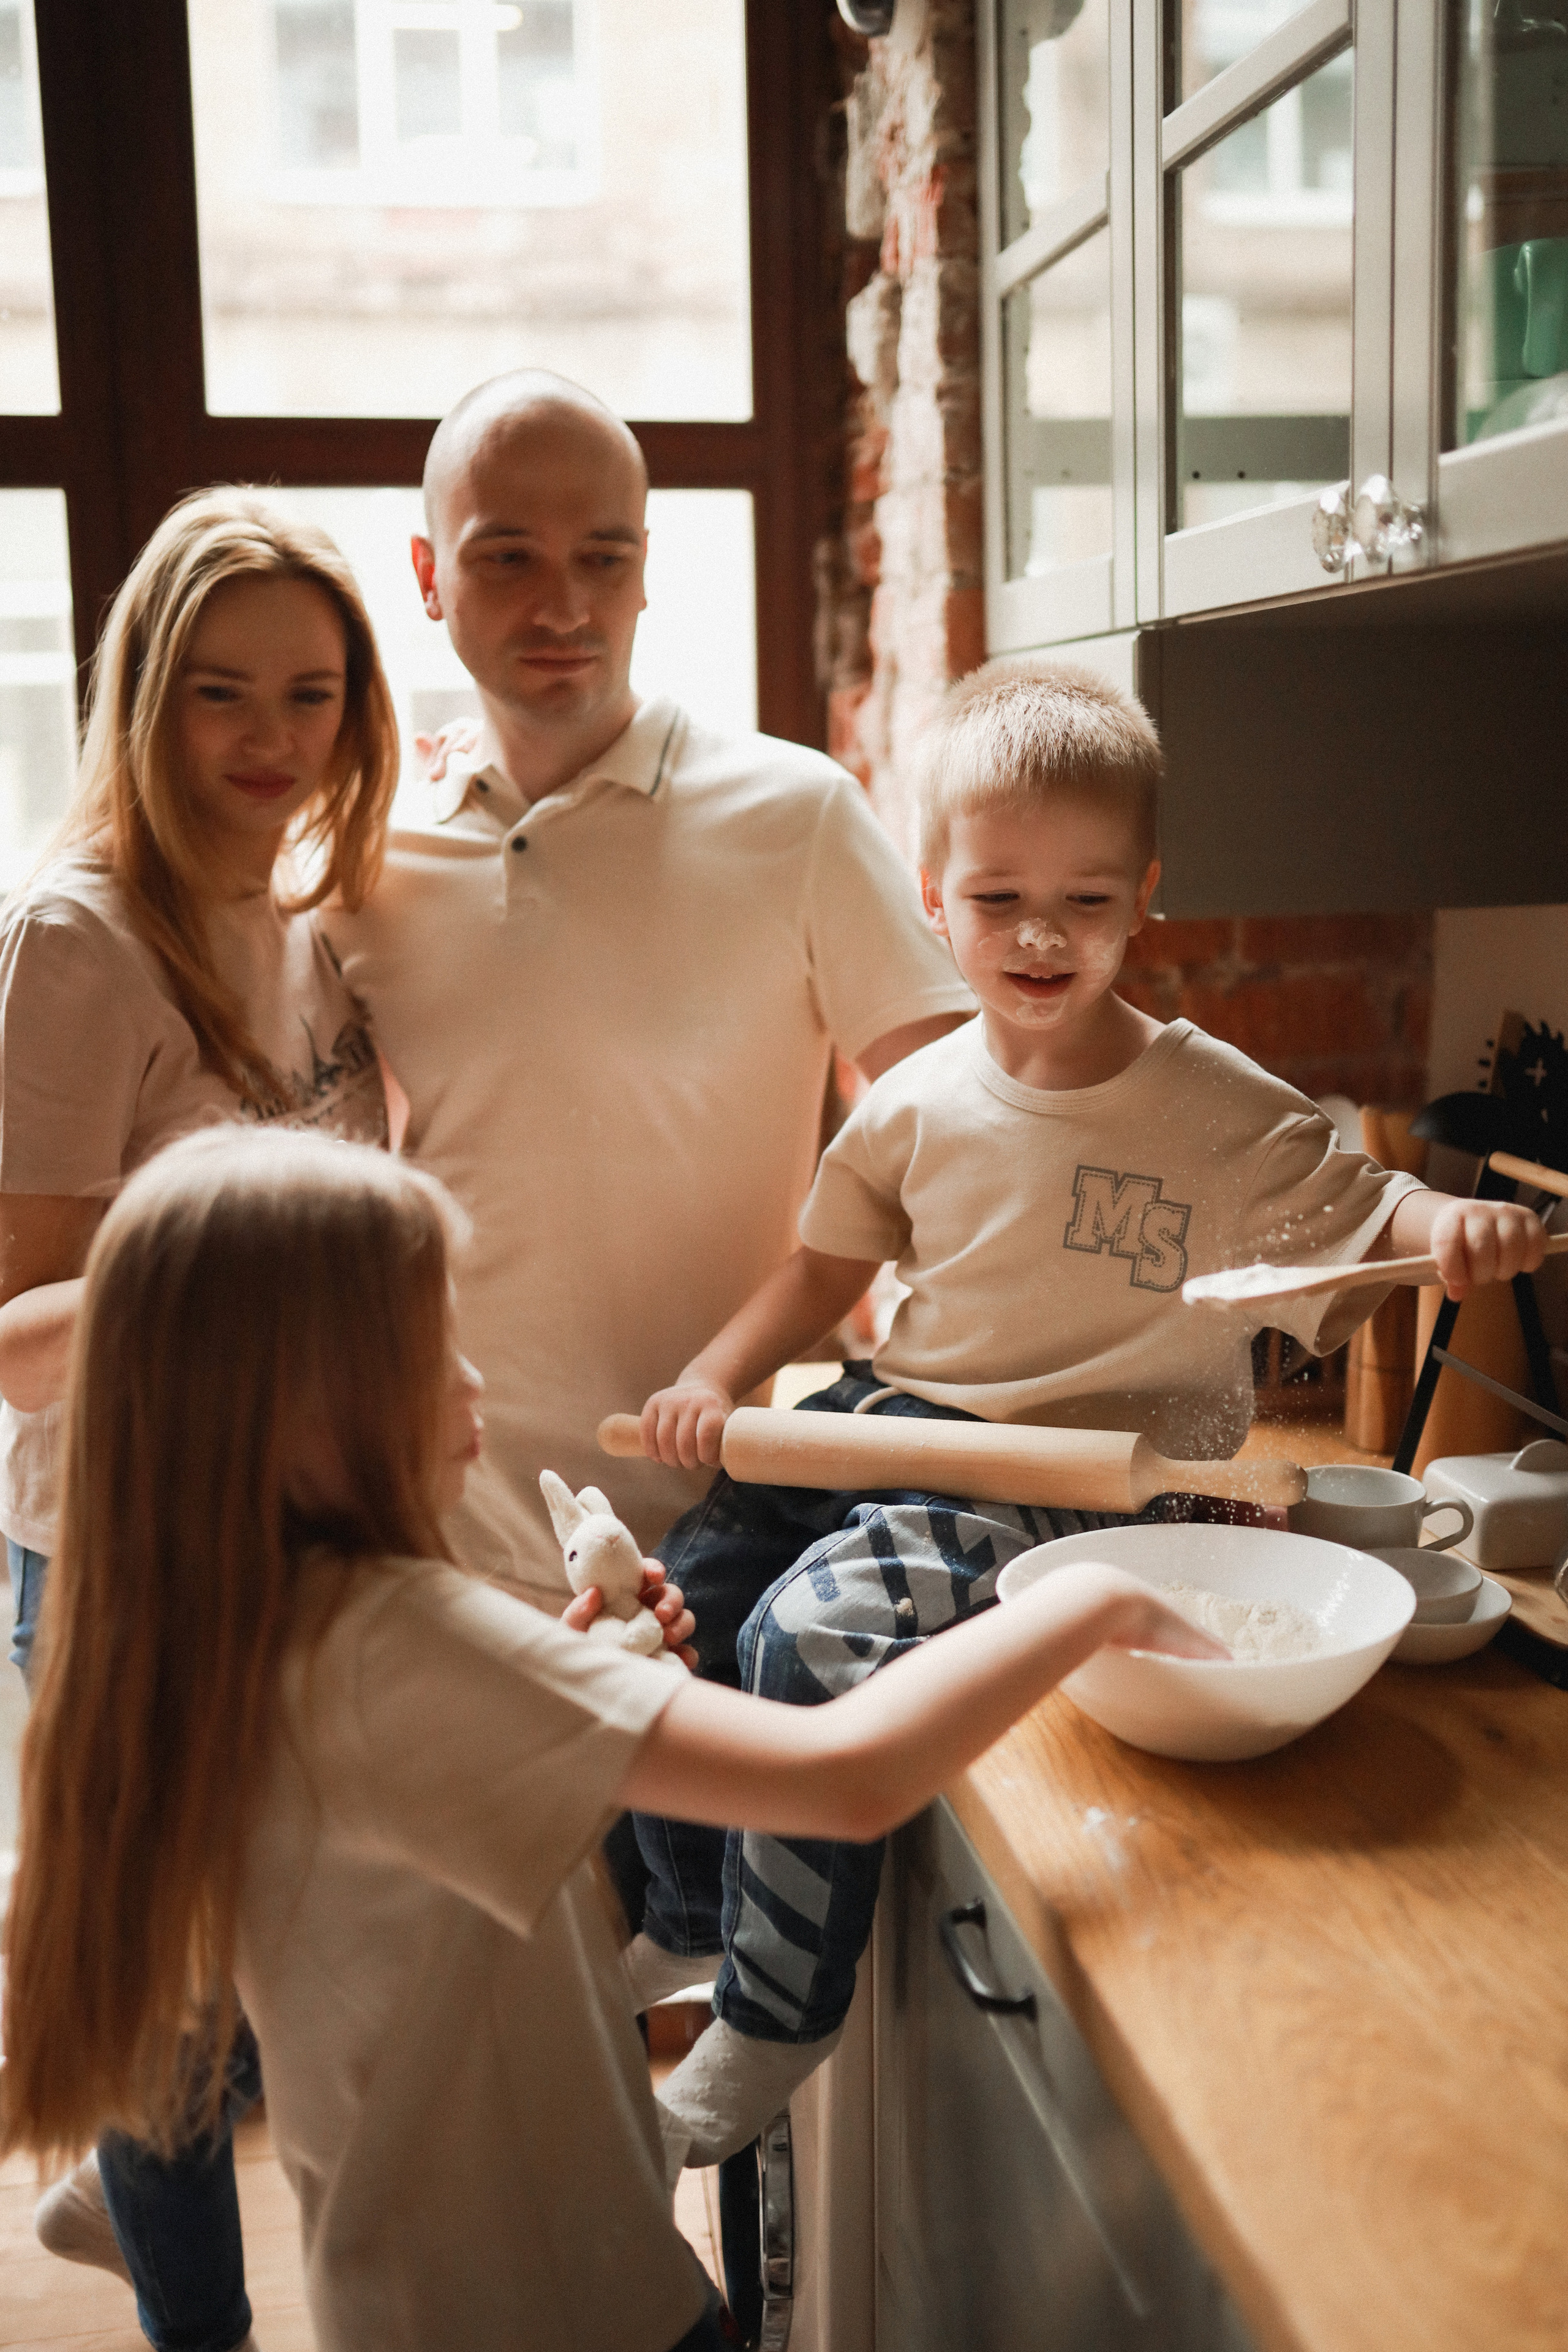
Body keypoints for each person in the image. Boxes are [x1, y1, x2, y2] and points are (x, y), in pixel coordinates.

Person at [0, 1125, 1224, 2352]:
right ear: (293, 1409)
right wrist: (1084, 1596)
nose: (472, 1381)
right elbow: (845, 1780)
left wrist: (569, 1686)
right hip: (580, 2307)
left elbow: (417, 1855)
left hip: (418, 2301)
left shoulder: (245, 1630)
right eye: (428, 1350)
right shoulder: (400, 1639)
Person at [625, 657, 1550, 2176]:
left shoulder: (1212, 1105)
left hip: (1074, 1478)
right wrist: (713, 1380)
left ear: (1144, 901)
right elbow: (823, 1272)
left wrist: (1451, 1224)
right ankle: (682, 1913)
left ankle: (777, 2012)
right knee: (682, 1597)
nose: (1039, 937)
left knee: (804, 1638)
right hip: (894, 1422)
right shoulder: (914, 1100)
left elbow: (1373, 1203)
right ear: (933, 900)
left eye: (1083, 900)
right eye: (997, 900)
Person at [323, 368, 974, 1611]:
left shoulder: (799, 817)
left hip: (728, 1538)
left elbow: (968, 1133)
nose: (563, 604)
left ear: (643, 572)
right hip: (433, 1539)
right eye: (507, 557)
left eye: (602, 558)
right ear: (427, 576)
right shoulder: (359, 856)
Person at [0, 488, 399, 2352]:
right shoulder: (76, 944)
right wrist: (259, 1252)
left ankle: (116, 2173)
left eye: (310, 694)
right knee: (166, 2009)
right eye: (221, 693)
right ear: (144, 695)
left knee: (268, 1958)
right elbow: (18, 1340)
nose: (268, 740)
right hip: (121, 1546)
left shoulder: (305, 918)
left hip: (295, 1525)